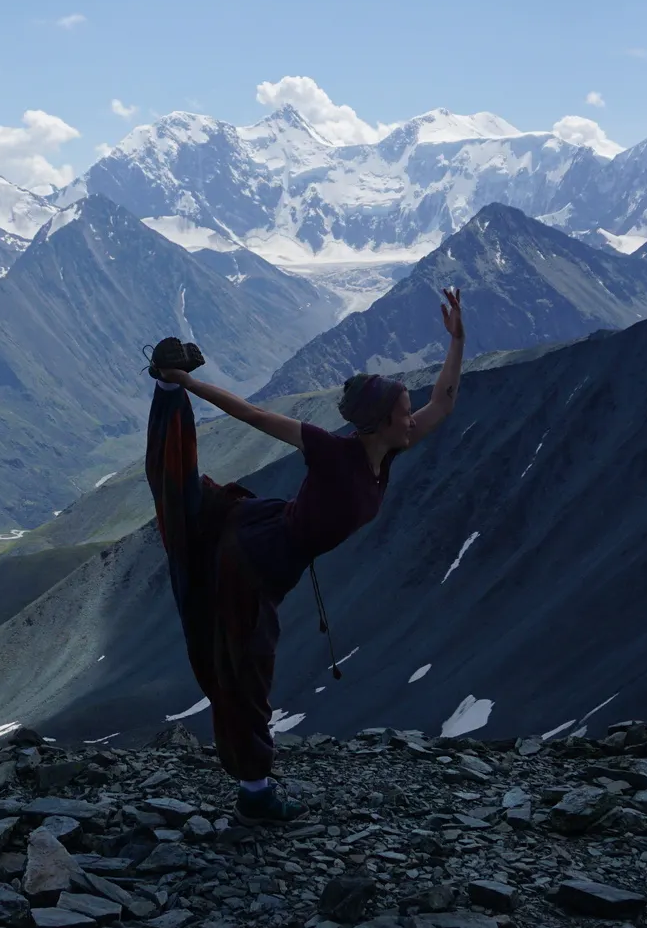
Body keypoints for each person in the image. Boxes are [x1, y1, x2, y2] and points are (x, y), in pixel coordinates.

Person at [143, 286, 465, 822]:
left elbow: (446, 400)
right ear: (381, 420)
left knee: (247, 662)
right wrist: (188, 383)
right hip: (253, 558)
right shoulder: (334, 452)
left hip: (266, 538)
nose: (415, 418)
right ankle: (256, 797)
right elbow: (250, 414)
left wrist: (457, 338)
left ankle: (254, 785)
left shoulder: (389, 451)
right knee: (248, 669)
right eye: (406, 411)